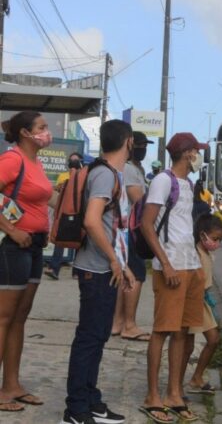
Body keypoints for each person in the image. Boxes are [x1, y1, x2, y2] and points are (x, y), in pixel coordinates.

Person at [62, 119, 138, 424]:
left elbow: (111, 226)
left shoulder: (106, 172)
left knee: (97, 336)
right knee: (90, 338)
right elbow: (93, 221)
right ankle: (76, 409)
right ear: (128, 141)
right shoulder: (106, 175)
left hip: (103, 268)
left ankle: (90, 400)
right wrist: (114, 261)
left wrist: (122, 264)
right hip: (96, 270)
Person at [139, 132, 207, 424]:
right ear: (187, 153)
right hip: (171, 266)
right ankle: (152, 396)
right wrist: (165, 264)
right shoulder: (163, 181)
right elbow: (146, 224)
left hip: (189, 266)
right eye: (197, 151)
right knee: (162, 330)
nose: (199, 156)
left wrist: (197, 265)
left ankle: (174, 393)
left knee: (182, 332)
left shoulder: (188, 184)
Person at [0, 112, 54, 413]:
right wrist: (11, 229)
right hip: (12, 246)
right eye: (42, 128)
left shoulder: (36, 162)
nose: (47, 133)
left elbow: (38, 200)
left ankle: (11, 385)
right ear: (24, 132)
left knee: (20, 317)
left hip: (33, 246)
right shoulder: (12, 159)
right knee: (4, 318)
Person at [111, 131, 153, 341]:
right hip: (130, 230)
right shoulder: (128, 168)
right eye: (140, 145)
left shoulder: (136, 168)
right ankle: (129, 324)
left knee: (127, 277)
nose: (143, 149)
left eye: (146, 145)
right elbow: (139, 200)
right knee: (135, 275)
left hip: (128, 229)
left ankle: (118, 323)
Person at [182, 214, 222, 396]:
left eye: (219, 240)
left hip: (203, 302)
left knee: (213, 340)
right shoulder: (194, 254)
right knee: (187, 346)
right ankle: (178, 385)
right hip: (193, 301)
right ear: (202, 236)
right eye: (215, 239)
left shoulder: (206, 253)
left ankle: (196, 377)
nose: (217, 243)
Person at [45, 152, 84, 279]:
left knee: (79, 240)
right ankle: (54, 269)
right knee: (60, 239)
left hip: (79, 212)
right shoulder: (63, 175)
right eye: (71, 160)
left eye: (75, 161)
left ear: (81, 162)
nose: (72, 163)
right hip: (64, 211)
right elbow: (56, 190)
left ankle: (77, 272)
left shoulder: (84, 175)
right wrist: (60, 187)